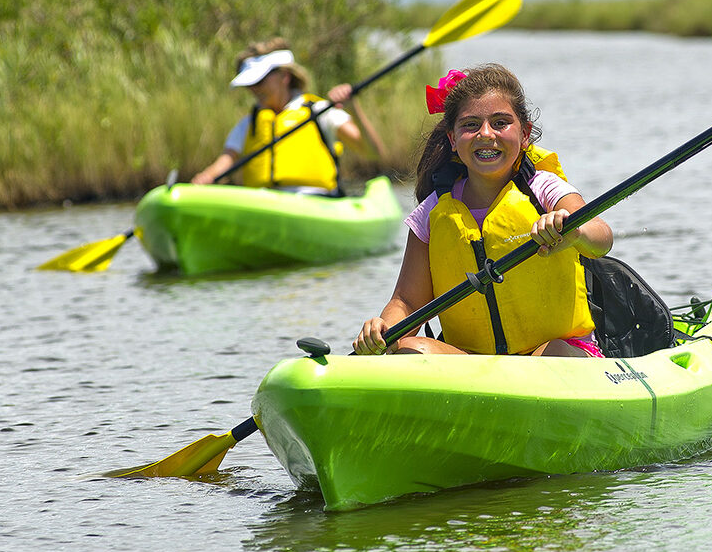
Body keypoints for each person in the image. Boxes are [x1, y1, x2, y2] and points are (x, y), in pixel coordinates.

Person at [354, 64, 613, 357]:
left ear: (525, 134)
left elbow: (602, 238)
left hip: (558, 354)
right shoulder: (432, 212)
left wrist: (574, 231)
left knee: (554, 353)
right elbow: (407, 302)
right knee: (410, 349)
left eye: (500, 122)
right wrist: (383, 331)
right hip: (473, 362)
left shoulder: (544, 189)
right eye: (470, 125)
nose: (486, 134)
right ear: (453, 139)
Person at [191, 37, 386, 195]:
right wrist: (206, 178)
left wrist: (353, 108)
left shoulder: (320, 111)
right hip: (262, 205)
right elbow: (224, 162)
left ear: (284, 76)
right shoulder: (248, 124)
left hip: (317, 202)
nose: (253, 89)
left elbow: (373, 153)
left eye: (259, 81)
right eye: (250, 84)